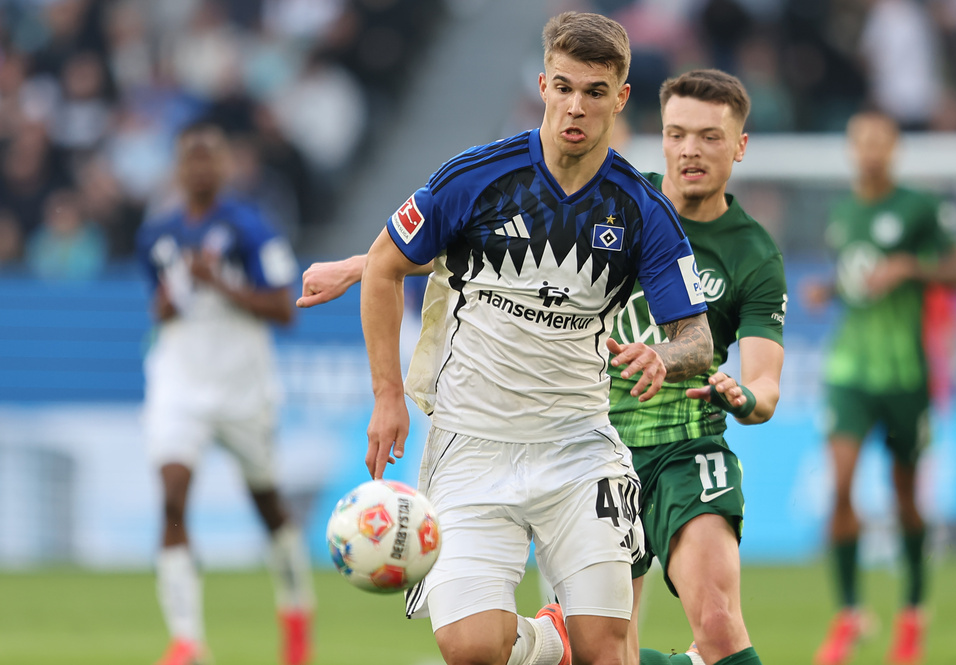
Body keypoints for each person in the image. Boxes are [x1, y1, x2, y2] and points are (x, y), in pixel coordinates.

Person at [304, 12, 713, 665]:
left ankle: (582, 638)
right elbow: (387, 262)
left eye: (596, 91)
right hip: (472, 444)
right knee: (471, 649)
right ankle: (558, 637)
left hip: (579, 447)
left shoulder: (641, 210)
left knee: (609, 652)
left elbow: (696, 336)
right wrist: (388, 396)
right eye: (566, 87)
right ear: (544, 85)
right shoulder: (476, 178)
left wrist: (662, 353)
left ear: (621, 97)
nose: (577, 105)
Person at [610, 71, 786, 665]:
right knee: (606, 653)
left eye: (710, 137)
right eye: (677, 134)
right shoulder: (619, 206)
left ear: (739, 145)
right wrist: (366, 265)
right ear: (661, 139)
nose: (690, 150)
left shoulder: (753, 254)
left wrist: (743, 398)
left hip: (687, 446)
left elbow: (765, 384)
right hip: (595, 448)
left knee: (716, 621)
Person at [136, 121, 315, 665]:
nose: (199, 168)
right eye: (189, 159)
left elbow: (284, 309)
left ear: (225, 167)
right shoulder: (158, 234)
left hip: (242, 388)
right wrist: (172, 297)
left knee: (267, 505)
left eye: (208, 158)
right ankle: (187, 641)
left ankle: (296, 619)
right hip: (180, 384)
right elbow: (159, 309)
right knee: (171, 498)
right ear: (177, 168)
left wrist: (219, 283)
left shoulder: (252, 228)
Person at [803, 111, 956, 665]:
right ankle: (850, 613)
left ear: (893, 148)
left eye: (879, 142)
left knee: (905, 496)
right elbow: (859, 278)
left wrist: (910, 268)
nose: (870, 151)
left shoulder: (919, 209)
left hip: (905, 375)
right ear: (852, 149)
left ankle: (912, 613)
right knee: (841, 484)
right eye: (861, 142)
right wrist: (829, 289)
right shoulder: (843, 212)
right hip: (849, 372)